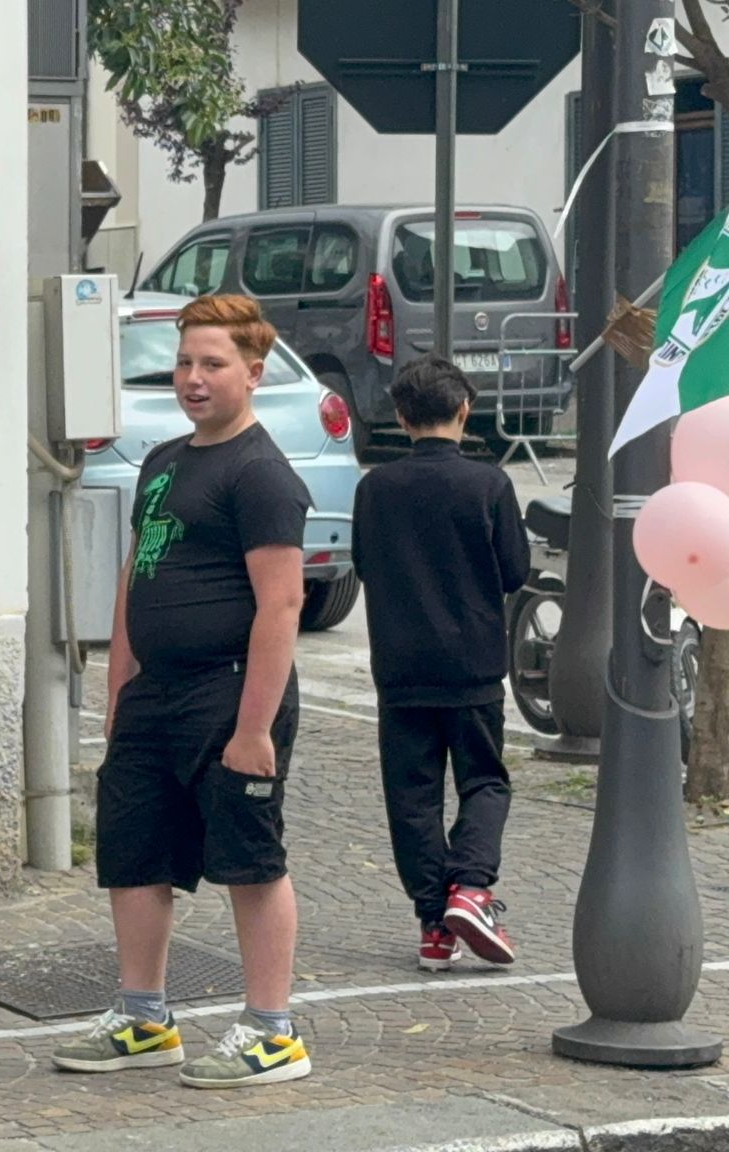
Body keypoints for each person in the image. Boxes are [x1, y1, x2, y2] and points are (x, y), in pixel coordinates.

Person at [51, 294, 314, 1089]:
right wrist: (119, 685)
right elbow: (136, 576)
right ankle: (144, 1017)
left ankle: (272, 1031)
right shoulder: (164, 460)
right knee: (133, 852)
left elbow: (282, 605)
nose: (193, 378)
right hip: (154, 696)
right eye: (184, 363)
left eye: (213, 365)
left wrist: (254, 728)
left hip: (228, 695)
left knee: (249, 859)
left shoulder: (261, 474)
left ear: (253, 374)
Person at [352, 354, 528, 972]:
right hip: (473, 663)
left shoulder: (375, 488)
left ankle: (434, 923)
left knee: (411, 796)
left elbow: (364, 564)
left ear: (401, 418)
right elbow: (515, 572)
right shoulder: (489, 485)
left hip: (400, 665)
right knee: (485, 780)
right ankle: (471, 888)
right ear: (464, 410)